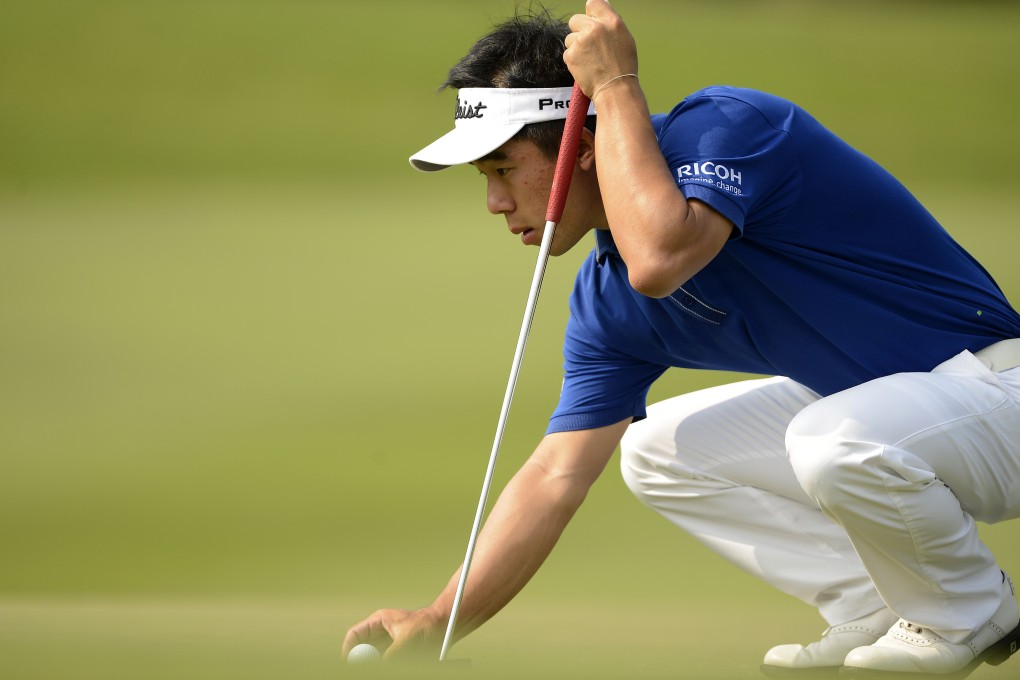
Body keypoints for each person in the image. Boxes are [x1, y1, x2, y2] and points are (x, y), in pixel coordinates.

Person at [343, 1, 1020, 676]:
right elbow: (557, 475)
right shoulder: (607, 299)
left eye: (501, 169)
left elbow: (662, 255)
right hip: (910, 426)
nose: (493, 202)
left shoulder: (727, 126)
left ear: (581, 148)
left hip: (997, 391)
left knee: (830, 436)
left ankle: (966, 609)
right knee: (656, 450)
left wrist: (613, 86)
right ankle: (877, 602)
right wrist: (441, 618)